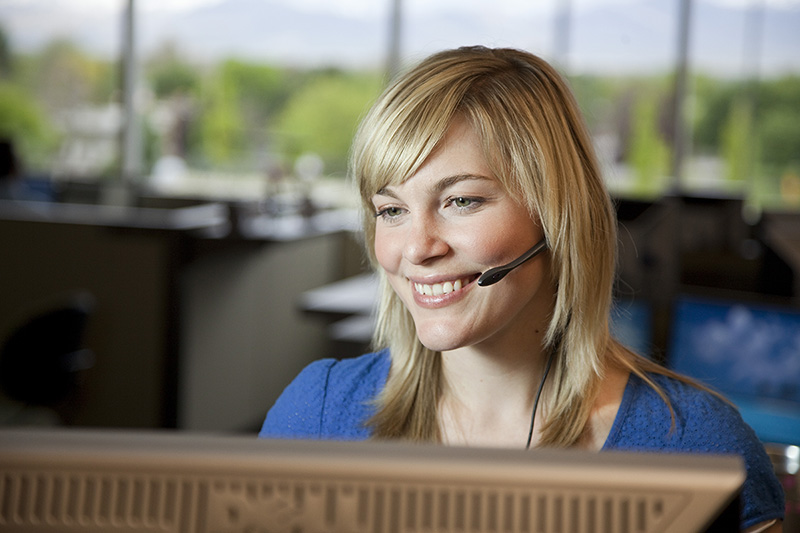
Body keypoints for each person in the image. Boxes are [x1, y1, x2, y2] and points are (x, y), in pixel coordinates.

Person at [260, 46, 784, 532]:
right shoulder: (320, 412)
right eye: (391, 210)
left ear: (557, 218)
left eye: (461, 201)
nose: (416, 248)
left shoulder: (698, 447)